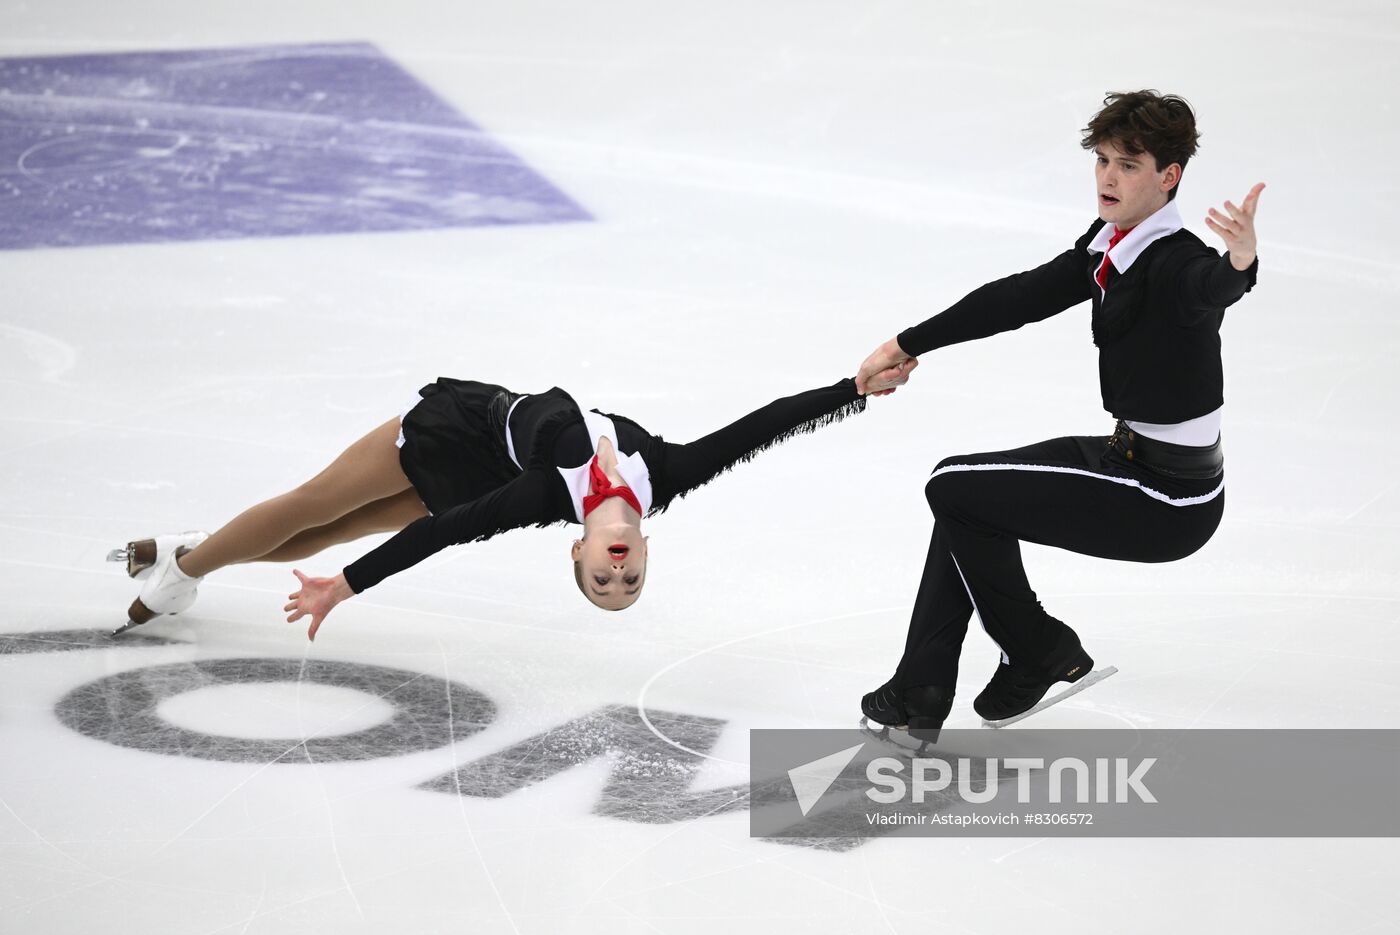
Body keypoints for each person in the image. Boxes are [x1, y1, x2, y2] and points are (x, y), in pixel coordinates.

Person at [853, 90, 1263, 740]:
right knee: (964, 498)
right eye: (1101, 159)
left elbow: (1211, 288)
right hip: (1127, 457)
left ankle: (1038, 646)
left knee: (953, 488)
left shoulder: (1177, 259)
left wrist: (1239, 260)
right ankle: (919, 690)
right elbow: (1018, 298)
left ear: (1169, 175)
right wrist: (909, 343)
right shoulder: (1112, 245)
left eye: (1128, 164)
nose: (1107, 176)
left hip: (1167, 498)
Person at [112, 365, 914, 639]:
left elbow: (439, 535)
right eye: (628, 584)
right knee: (312, 502)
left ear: (577, 552)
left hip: (470, 469)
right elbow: (762, 427)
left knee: (324, 534)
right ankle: (188, 563)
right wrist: (853, 389)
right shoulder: (666, 475)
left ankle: (198, 549)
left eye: (603, 583)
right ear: (640, 557)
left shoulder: (538, 496)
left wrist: (343, 588)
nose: (618, 576)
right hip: (466, 423)